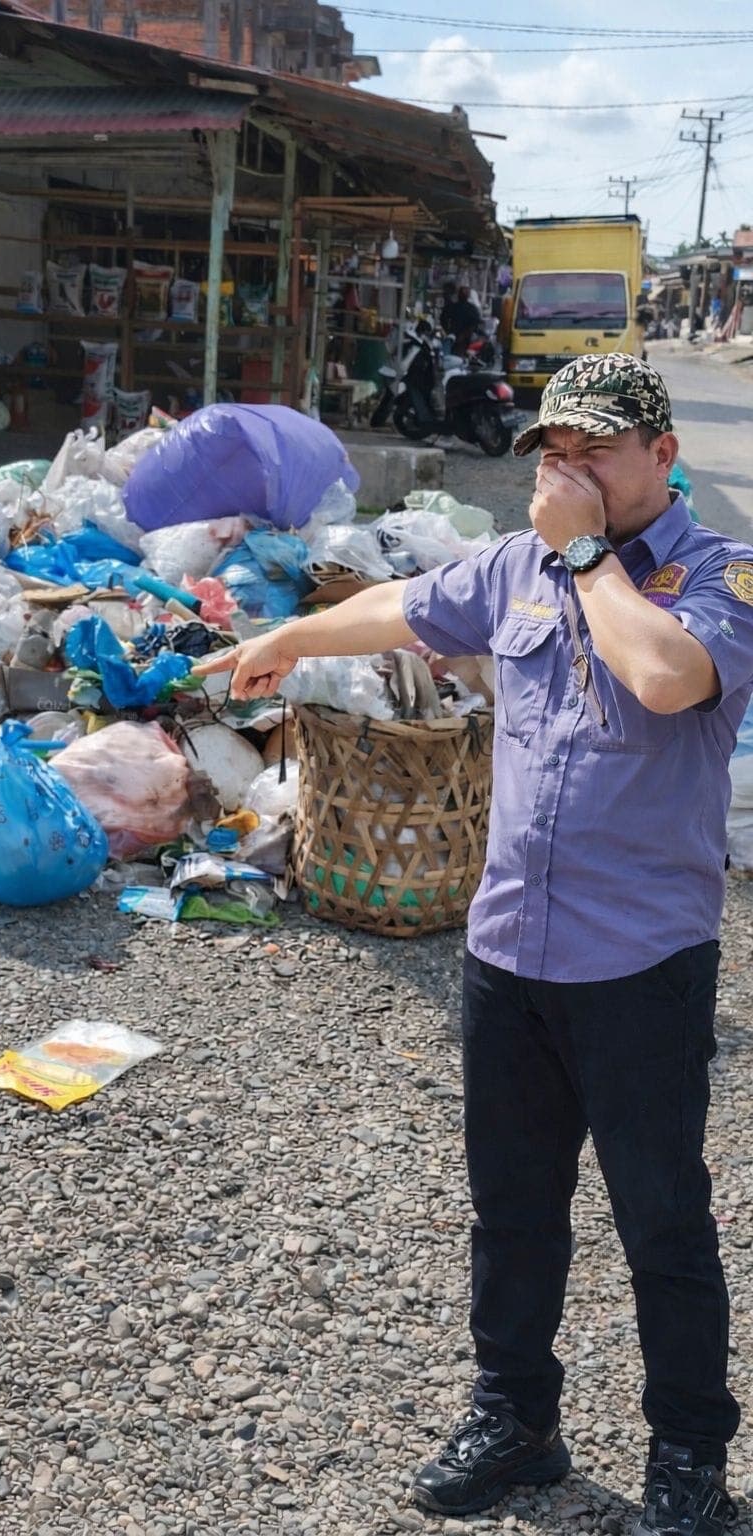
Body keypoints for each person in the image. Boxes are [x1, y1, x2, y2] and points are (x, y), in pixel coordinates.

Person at [194, 354, 753, 1536]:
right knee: (511, 1206)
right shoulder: (517, 565)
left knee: (660, 1214)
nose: (568, 474)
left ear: (661, 457)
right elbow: (407, 607)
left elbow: (660, 679)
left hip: (640, 961)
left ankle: (689, 1454)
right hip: (509, 947)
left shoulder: (718, 573)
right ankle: (517, 1418)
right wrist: (288, 635)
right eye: (554, 453)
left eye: (595, 451)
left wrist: (590, 554)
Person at [440, 283, 482, 354]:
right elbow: (443, 319)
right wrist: (448, 332)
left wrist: (463, 334)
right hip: (455, 336)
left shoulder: (471, 309)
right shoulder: (453, 307)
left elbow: (474, 324)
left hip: (462, 338)